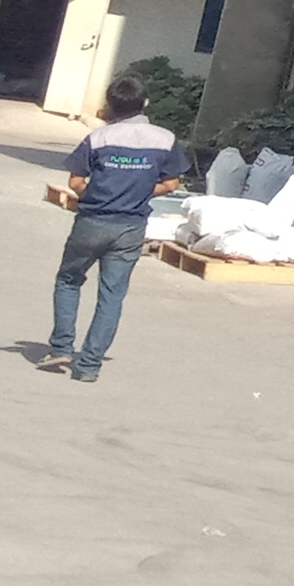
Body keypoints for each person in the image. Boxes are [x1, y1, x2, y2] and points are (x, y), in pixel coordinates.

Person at [46, 78, 185, 382]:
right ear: (145, 103)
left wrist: (97, 195)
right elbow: (171, 183)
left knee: (69, 279)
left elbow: (76, 182)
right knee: (111, 295)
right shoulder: (165, 139)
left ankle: (62, 346)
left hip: (92, 222)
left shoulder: (98, 138)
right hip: (131, 227)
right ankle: (89, 365)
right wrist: (138, 193)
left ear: (110, 106)